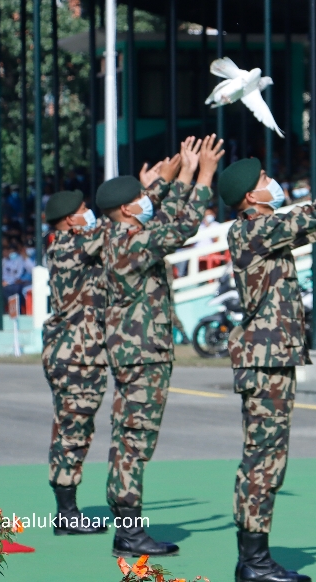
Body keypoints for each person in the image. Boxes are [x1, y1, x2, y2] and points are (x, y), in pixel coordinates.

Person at [221, 115, 316, 582]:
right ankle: (252, 560)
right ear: (251, 196)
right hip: (264, 361)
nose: (273, 183)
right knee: (263, 459)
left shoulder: (263, 230)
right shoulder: (251, 229)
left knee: (267, 457)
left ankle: (254, 556)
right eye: (266, 180)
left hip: (271, 359)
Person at [100, 135, 222, 558]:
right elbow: (182, 227)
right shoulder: (131, 240)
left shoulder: (122, 233)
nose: (145, 200)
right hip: (142, 356)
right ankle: (130, 531)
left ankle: (126, 525)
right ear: (125, 210)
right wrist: (203, 175)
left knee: (128, 440)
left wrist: (181, 174)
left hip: (135, 353)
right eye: (139, 197)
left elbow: (162, 217)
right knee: (134, 442)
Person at [41, 189, 110, 536]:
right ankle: (67, 514)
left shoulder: (68, 245)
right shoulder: (70, 245)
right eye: (84, 209)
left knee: (69, 427)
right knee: (73, 430)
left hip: (72, 351)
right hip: (76, 354)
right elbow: (114, 227)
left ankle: (66, 508)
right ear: (70, 219)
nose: (90, 213)